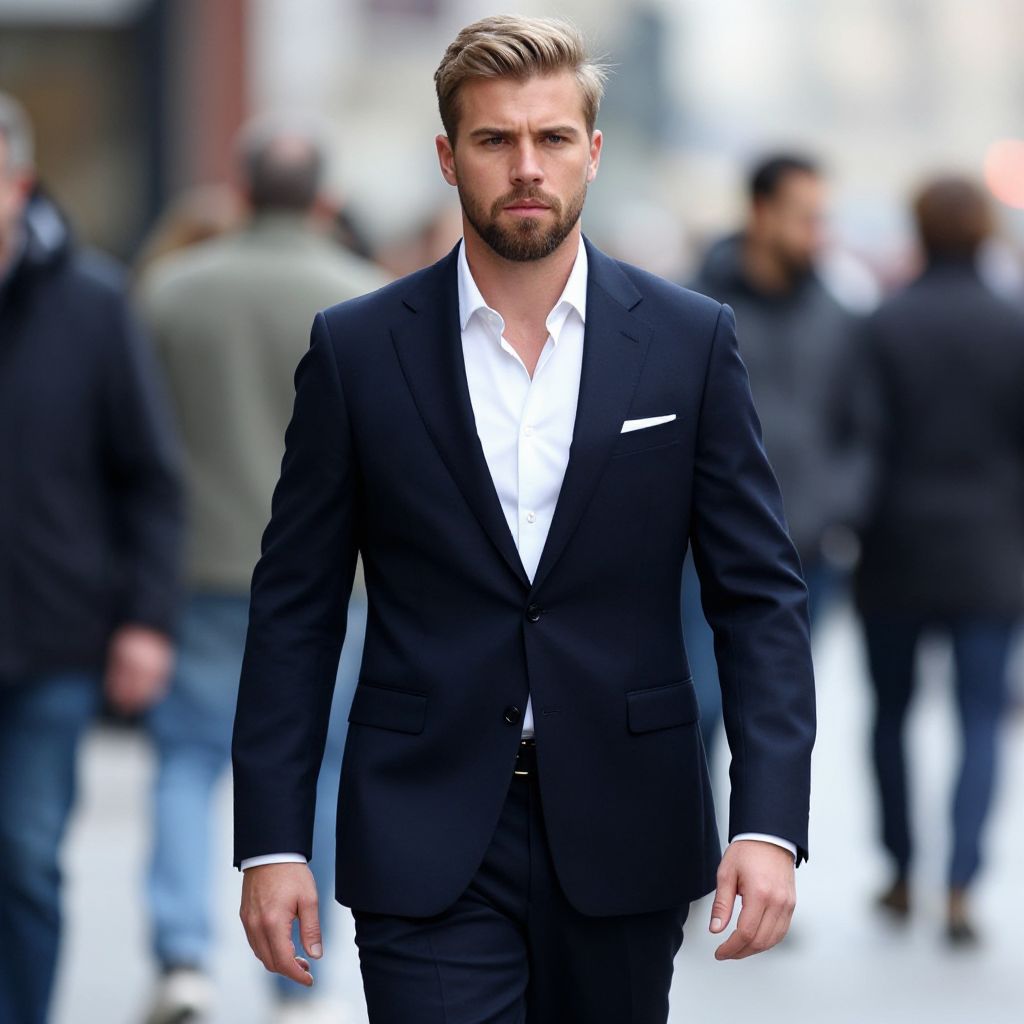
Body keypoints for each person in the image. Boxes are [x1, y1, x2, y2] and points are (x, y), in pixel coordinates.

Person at [232, 17, 816, 1024]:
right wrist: (274, 840)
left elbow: (758, 597)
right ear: (448, 156)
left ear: (592, 152)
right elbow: (296, 605)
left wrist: (769, 821)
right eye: (496, 140)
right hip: (424, 822)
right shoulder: (358, 349)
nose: (526, 166)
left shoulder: (686, 342)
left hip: (626, 819)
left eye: (551, 139)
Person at [136, 117, 389, 1024]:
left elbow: (134, 443)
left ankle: (181, 954)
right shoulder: (367, 297)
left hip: (198, 567)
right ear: (322, 196)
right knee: (320, 763)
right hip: (335, 581)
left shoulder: (170, 292)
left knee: (185, 759)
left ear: (240, 191)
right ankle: (300, 958)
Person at [0, 92, 182, 1024]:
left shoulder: (94, 304)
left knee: (25, 855)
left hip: (52, 640)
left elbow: (151, 477)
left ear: (18, 182)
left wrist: (146, 621)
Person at [853, 176, 1024, 946]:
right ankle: (960, 880)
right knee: (981, 718)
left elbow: (860, 434)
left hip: (895, 545)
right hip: (993, 549)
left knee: (889, 712)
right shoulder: (1013, 323)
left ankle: (899, 868)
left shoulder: (884, 323)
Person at [686, 154, 862, 764]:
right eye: (804, 217)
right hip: (703, 552)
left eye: (823, 218)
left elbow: (862, 430)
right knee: (700, 705)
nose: (818, 234)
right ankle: (694, 850)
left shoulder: (838, 317)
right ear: (761, 212)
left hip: (808, 552)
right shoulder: (695, 307)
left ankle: (762, 844)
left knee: (777, 713)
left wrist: (836, 510)